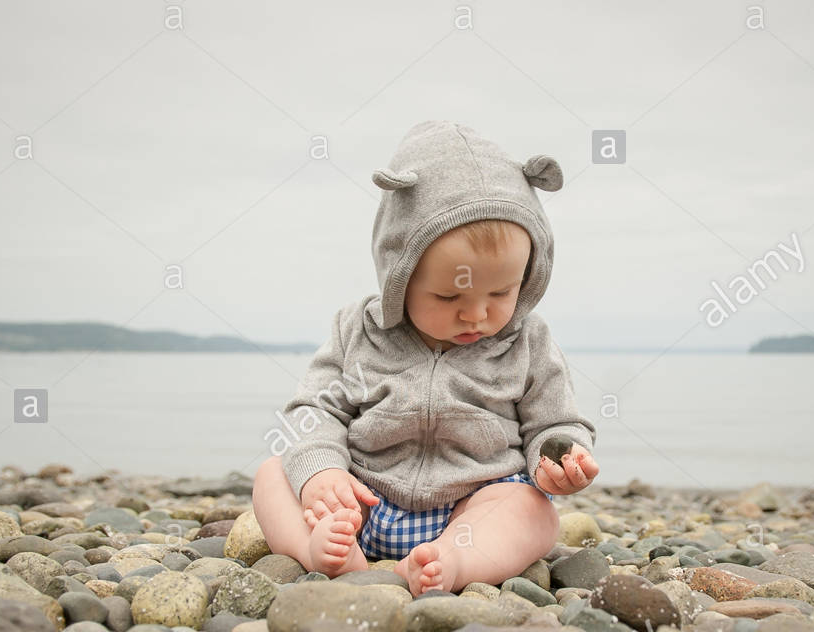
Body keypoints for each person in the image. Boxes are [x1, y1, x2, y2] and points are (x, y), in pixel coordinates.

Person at [253, 120, 599, 596]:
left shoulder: (527, 342)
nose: (477, 314)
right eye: (447, 296)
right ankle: (324, 551)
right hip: (362, 500)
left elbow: (553, 422)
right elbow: (314, 411)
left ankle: (453, 559)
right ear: (400, 276)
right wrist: (323, 471)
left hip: (473, 504)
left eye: (501, 291)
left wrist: (558, 458)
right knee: (274, 475)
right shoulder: (360, 332)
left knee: (532, 511)